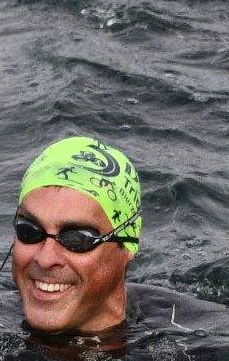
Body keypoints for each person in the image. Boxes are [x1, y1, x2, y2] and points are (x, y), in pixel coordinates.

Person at [11, 134, 142, 338]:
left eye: (77, 239)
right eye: (29, 230)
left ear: (127, 246)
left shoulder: (190, 343)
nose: (45, 259)